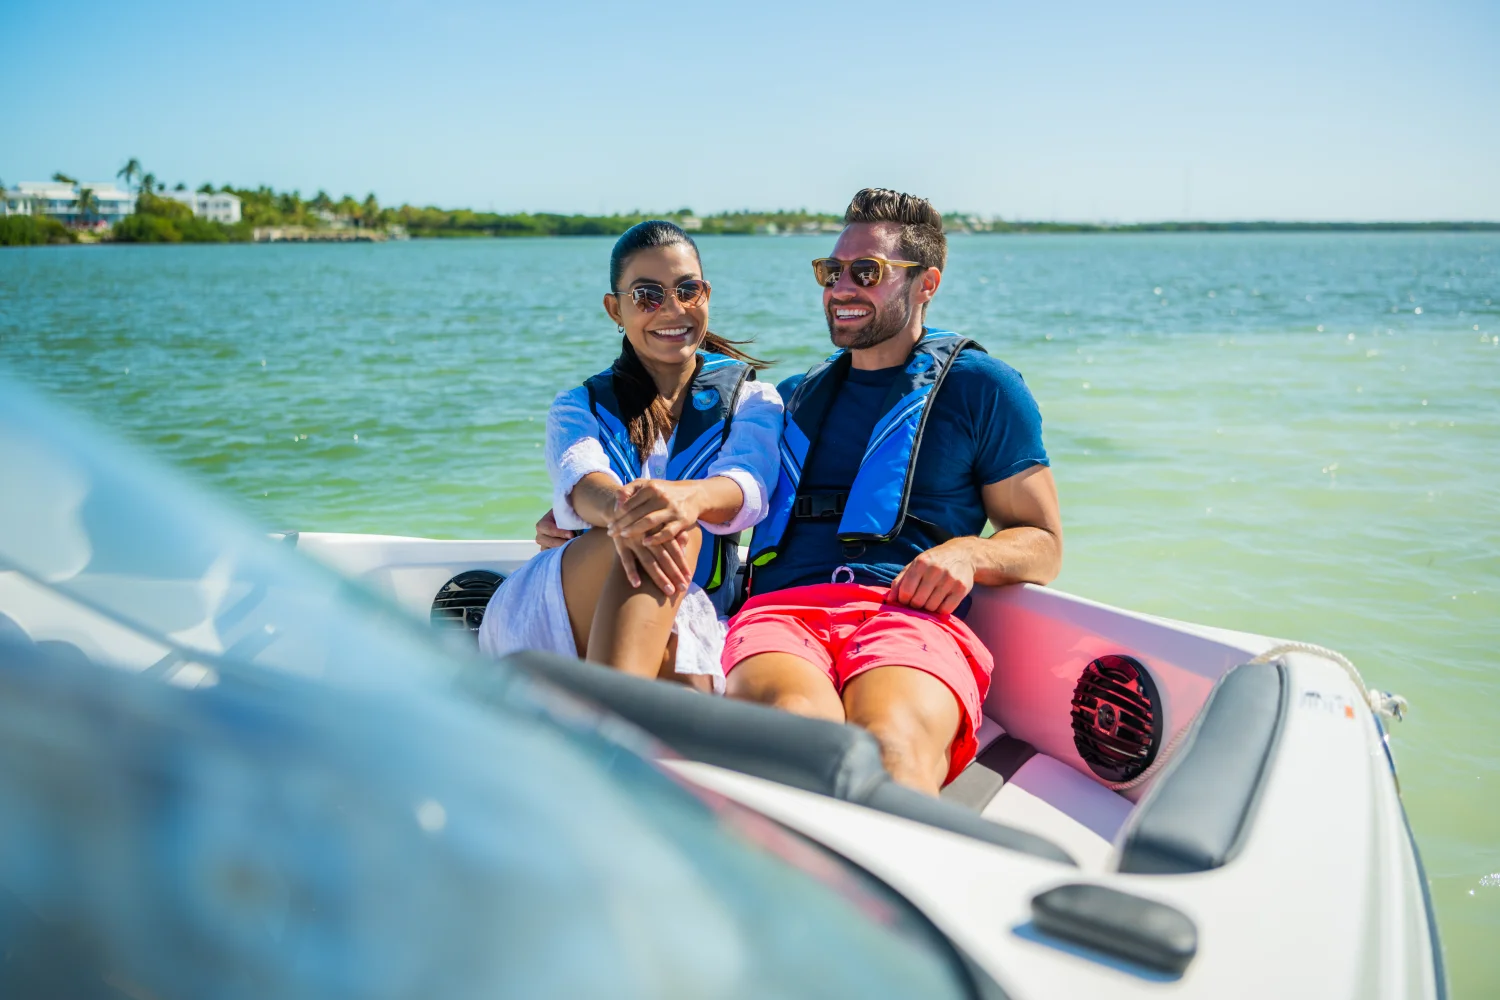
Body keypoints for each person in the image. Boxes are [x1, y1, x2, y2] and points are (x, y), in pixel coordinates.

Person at [724, 188, 1063, 795]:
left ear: (926, 284)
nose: (840, 288)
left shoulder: (981, 388)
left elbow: (1044, 543)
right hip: (782, 614)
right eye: (830, 271)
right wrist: (584, 513)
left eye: (866, 272)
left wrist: (968, 553)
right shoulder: (791, 400)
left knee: (891, 751)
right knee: (795, 739)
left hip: (907, 617)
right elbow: (708, 487)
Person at [479, 221, 782, 691]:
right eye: (647, 296)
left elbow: (747, 484)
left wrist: (685, 501)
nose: (673, 309)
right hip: (564, 607)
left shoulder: (753, 401)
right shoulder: (578, 406)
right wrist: (632, 514)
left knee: (670, 534)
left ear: (706, 294)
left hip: (696, 609)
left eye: (688, 290)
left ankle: (606, 717)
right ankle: (607, 728)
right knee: (662, 531)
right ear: (614, 309)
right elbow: (582, 480)